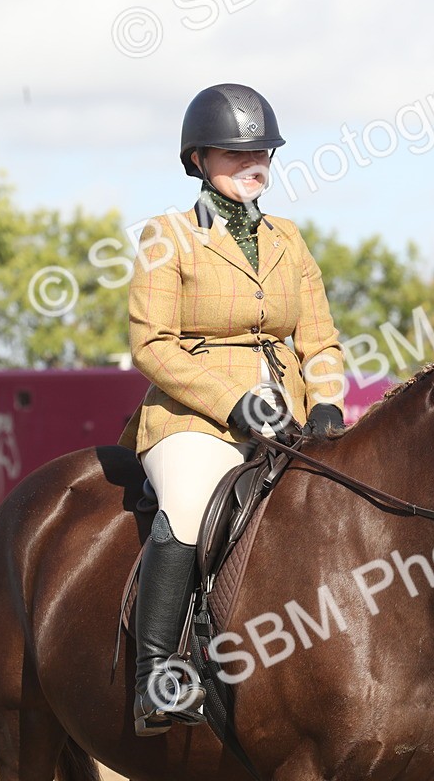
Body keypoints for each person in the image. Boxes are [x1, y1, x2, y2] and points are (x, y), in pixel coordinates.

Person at [119, 83, 346, 737]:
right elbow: (151, 345)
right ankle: (157, 677)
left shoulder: (289, 239)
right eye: (235, 151)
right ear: (197, 160)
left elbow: (319, 338)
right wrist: (232, 402)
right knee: (188, 506)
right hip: (195, 418)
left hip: (289, 419)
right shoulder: (167, 237)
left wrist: (327, 400)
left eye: (263, 152)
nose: (254, 163)